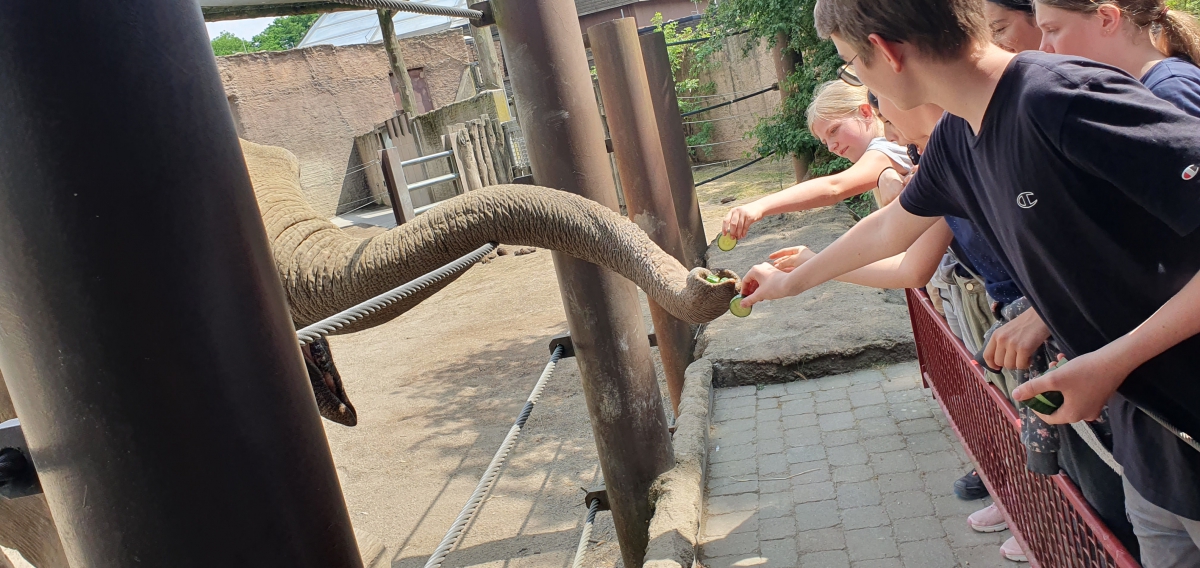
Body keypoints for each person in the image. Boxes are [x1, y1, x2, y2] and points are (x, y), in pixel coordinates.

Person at [740, 0, 1200, 564]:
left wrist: (1111, 360)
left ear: (885, 51)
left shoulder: (1057, 98)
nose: (860, 80)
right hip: (1149, 437)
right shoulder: (959, 136)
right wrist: (792, 282)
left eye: (852, 62)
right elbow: (891, 226)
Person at [721, 81, 911, 240]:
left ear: (866, 113)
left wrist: (759, 207)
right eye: (824, 141)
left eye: (834, 130)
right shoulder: (883, 161)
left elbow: (834, 187)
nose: (831, 147)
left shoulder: (887, 148)